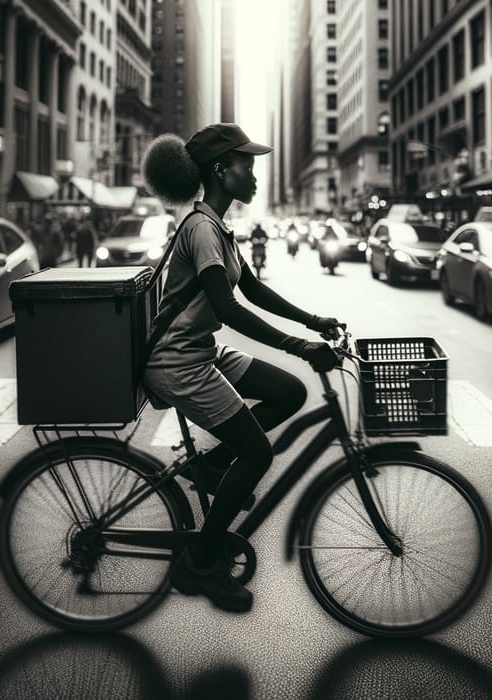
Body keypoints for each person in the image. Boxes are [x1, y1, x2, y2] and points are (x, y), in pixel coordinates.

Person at [141, 123, 344, 613]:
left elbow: (253, 291)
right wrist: (299, 345)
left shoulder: (219, 226)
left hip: (202, 353)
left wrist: (313, 321)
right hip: (178, 362)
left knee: (289, 393)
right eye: (245, 165)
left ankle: (211, 466)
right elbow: (228, 308)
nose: (253, 174)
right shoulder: (201, 228)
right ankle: (204, 563)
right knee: (255, 455)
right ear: (219, 170)